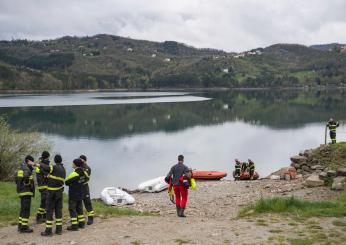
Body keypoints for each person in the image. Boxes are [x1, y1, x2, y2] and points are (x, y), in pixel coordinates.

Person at [31, 154, 66, 236]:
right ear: (61, 161)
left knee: (49, 211)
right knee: (58, 211)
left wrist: (35, 164)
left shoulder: (54, 167)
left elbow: (46, 167)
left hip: (51, 193)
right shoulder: (63, 169)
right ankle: (59, 230)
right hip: (59, 192)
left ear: (55, 160)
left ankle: (48, 231)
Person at [65, 159, 88, 231]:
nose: (72, 164)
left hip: (73, 194)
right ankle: (82, 223)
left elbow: (66, 182)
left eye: (73, 163)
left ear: (75, 164)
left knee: (72, 209)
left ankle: (74, 225)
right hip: (81, 193)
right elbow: (87, 178)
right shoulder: (84, 172)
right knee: (79, 209)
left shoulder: (73, 174)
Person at [16, 155, 35, 233]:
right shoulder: (27, 169)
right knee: (26, 210)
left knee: (23, 209)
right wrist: (30, 183)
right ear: (28, 161)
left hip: (21, 191)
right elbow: (27, 177)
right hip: (26, 191)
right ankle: (24, 227)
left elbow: (16, 180)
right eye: (32, 162)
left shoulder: (21, 168)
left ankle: (20, 225)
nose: (33, 163)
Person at [35, 151, 50, 223]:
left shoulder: (41, 164)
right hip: (43, 186)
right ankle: (39, 216)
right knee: (44, 202)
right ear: (47, 157)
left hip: (43, 185)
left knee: (45, 201)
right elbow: (45, 175)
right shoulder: (41, 166)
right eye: (48, 157)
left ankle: (44, 215)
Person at [80, 155, 94, 225]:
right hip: (79, 188)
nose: (80, 160)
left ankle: (90, 218)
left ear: (85, 160)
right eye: (79, 159)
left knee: (87, 203)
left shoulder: (87, 168)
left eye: (81, 159)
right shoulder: (78, 167)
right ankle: (80, 219)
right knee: (78, 204)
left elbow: (85, 177)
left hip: (85, 187)